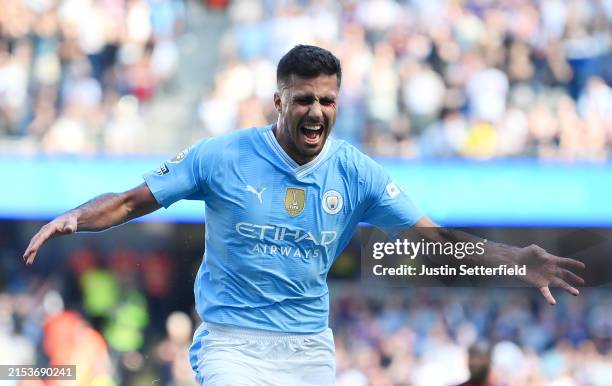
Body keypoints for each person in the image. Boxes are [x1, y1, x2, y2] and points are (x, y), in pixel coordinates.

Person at [23, 45, 584, 386]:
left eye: (328, 101)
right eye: (304, 100)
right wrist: (74, 215)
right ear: (279, 102)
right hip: (232, 343)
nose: (316, 111)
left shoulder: (356, 173)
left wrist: (515, 262)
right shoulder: (220, 156)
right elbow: (130, 201)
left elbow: (433, 239)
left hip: (307, 348)